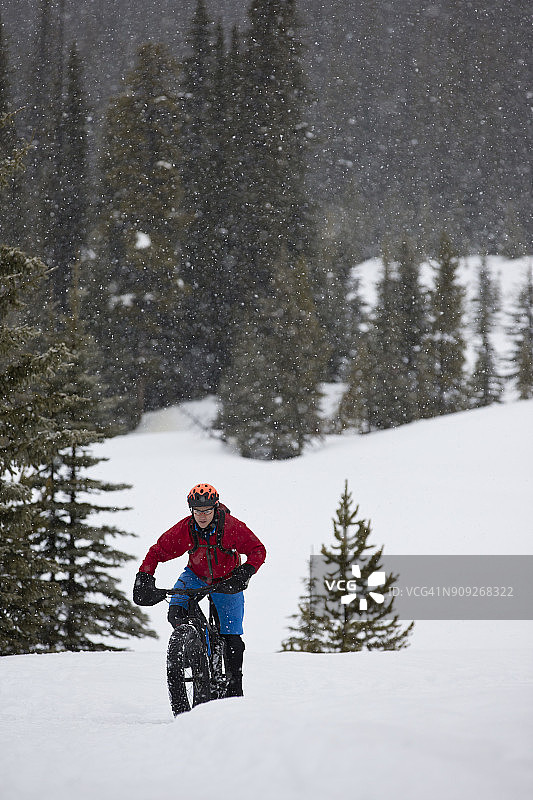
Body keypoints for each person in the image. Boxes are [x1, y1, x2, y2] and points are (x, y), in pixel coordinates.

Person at [133, 483, 266, 697]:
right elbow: (158, 551)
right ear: (191, 510)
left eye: (206, 511)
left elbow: (258, 550)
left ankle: (234, 688)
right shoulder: (187, 528)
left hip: (227, 579)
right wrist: (144, 576)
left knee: (232, 638)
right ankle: (193, 649)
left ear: (215, 507)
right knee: (175, 611)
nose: (202, 516)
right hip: (195, 575)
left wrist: (245, 572)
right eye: (197, 511)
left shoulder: (230, 526)